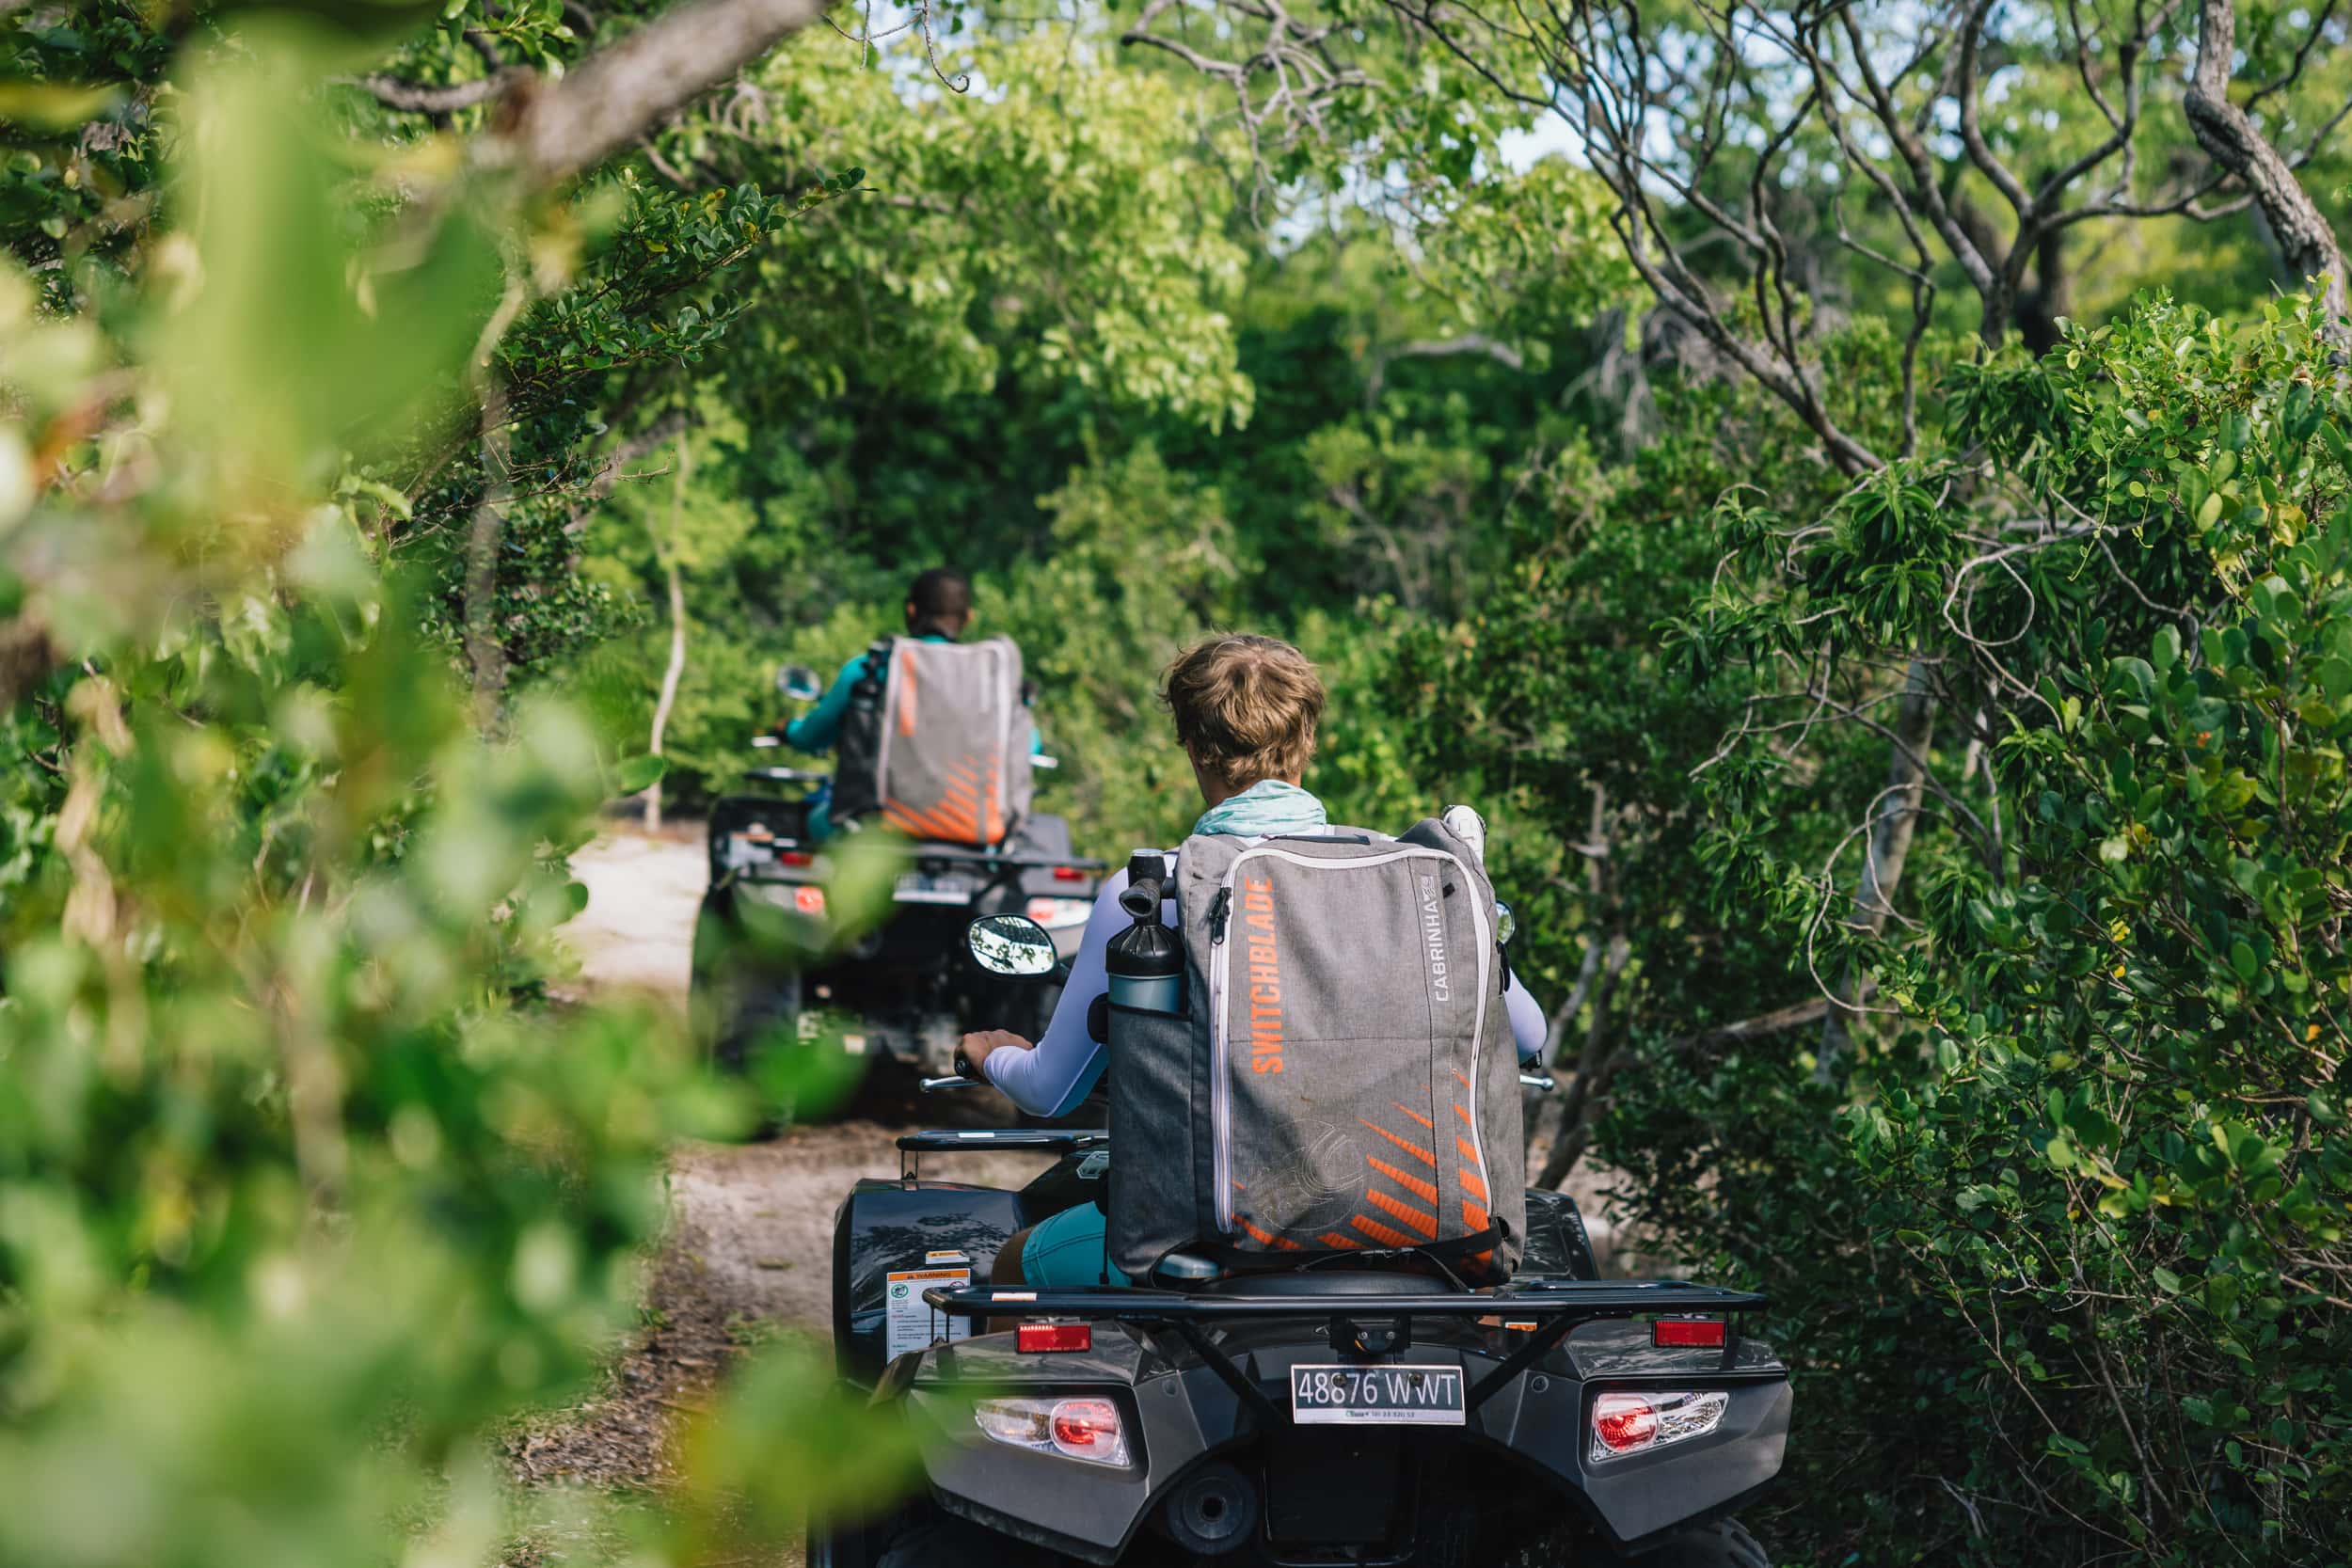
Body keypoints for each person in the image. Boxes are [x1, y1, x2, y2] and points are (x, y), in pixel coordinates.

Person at [963, 633, 1548, 1289]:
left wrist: (992, 1054)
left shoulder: (1153, 894)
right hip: (1429, 1243)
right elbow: (1528, 1035)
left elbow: (1051, 1090)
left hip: (1210, 1250)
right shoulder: (1417, 874)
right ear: (1309, 738)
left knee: (1010, 1266)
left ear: (1191, 745)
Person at [778, 566, 1025, 841]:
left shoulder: (872, 669)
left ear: (910, 611)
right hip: (974, 836)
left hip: (878, 829)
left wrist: (787, 730)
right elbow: (1030, 745)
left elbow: (811, 736)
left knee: (814, 822)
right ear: (968, 618)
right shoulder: (992, 684)